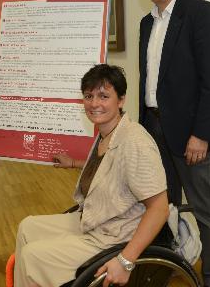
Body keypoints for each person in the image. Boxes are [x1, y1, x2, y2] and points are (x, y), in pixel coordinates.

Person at [14, 64, 169, 287]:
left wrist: (125, 261)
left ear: (121, 100)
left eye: (103, 96)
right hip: (95, 220)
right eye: (89, 96)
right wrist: (75, 163)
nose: (94, 103)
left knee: (32, 255)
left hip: (114, 236)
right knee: (27, 227)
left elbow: (160, 208)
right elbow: (108, 172)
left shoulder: (136, 142)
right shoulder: (106, 134)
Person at [138, 0, 210, 287]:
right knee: (162, 207)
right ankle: (166, 269)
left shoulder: (200, 13)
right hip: (154, 129)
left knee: (206, 209)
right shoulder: (147, 23)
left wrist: (202, 134)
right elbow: (151, 80)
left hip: (192, 134)